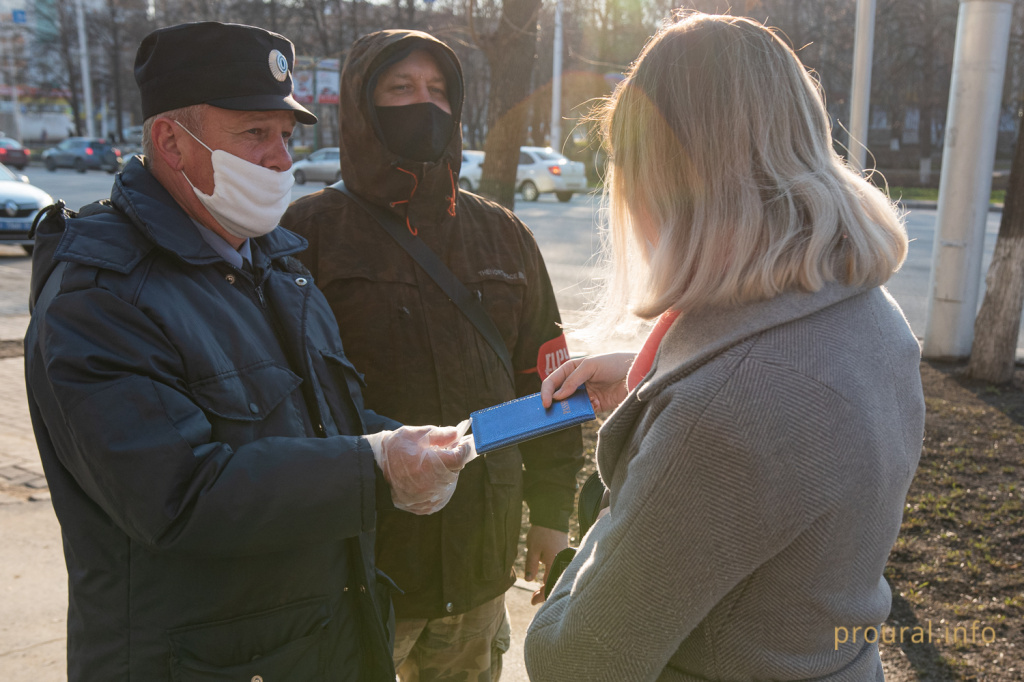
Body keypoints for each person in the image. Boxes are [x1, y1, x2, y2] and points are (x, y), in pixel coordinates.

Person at [24, 22, 473, 682]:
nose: (280, 160)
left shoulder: (272, 261)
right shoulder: (100, 296)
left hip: (315, 643)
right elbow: (177, 495)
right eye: (254, 134)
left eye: (286, 137)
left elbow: (313, 424)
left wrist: (397, 445)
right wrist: (373, 469)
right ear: (170, 141)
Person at [524, 13, 926, 681]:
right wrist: (656, 380)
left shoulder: (728, 413)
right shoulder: (862, 304)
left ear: (668, 174)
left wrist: (655, 456)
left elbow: (574, 661)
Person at [281, 29, 584, 681]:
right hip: (359, 572)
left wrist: (553, 516)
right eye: (401, 88)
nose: (425, 104)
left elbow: (552, 380)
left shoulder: (503, 234)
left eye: (439, 90)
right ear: (362, 107)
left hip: (480, 563)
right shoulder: (305, 234)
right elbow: (280, 400)